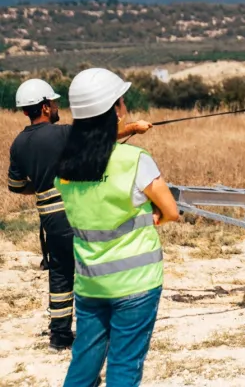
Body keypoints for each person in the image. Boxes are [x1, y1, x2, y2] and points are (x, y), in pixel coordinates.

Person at [53, 68, 180, 387]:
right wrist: (155, 215)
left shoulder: (65, 166)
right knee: (124, 366)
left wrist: (130, 129)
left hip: (90, 283)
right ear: (115, 110)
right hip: (136, 283)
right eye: (122, 102)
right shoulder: (135, 160)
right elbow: (171, 211)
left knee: (83, 363)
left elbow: (93, 148)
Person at [6, 78, 153, 351]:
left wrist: (41, 187)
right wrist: (134, 128)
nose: (58, 105)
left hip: (50, 218)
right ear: (46, 107)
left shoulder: (18, 144)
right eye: (55, 102)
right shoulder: (61, 133)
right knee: (97, 266)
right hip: (76, 212)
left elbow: (15, 186)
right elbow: (98, 136)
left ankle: (59, 336)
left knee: (60, 274)